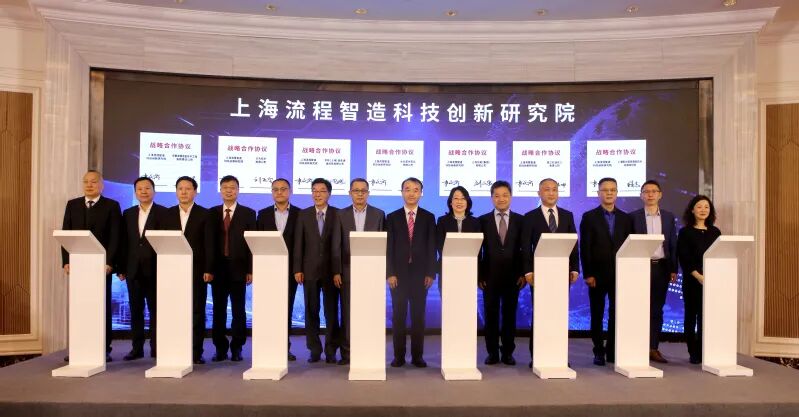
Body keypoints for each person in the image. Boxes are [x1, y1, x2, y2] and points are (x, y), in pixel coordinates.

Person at [61, 170, 121, 362]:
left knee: (102, 307)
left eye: (93, 182)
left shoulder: (111, 205)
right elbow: (66, 233)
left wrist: (110, 262)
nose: (89, 185)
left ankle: (104, 348)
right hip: (79, 265)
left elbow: (115, 237)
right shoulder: (72, 205)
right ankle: (78, 348)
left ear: (101, 185)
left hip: (101, 266)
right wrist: (66, 260)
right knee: (80, 306)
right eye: (86, 181)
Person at [520, 178, 579, 368]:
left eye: (554, 189)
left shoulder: (568, 215)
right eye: (546, 189)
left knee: (559, 315)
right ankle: (537, 356)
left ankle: (559, 355)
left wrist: (574, 268)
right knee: (540, 315)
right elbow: (525, 247)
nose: (551, 193)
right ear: (539, 193)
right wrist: (528, 271)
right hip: (539, 275)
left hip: (561, 273)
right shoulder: (530, 217)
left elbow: (574, 244)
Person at [162, 176, 215, 365]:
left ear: (195, 191)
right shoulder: (167, 214)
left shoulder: (205, 214)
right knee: (174, 312)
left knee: (197, 312)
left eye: (188, 188)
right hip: (173, 271)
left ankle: (195, 351)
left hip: (197, 271)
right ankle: (175, 349)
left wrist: (209, 269)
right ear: (176, 191)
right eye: (180, 188)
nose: (184, 192)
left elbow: (210, 244)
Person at [579, 177, 632, 366]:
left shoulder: (626, 218)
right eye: (605, 190)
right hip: (597, 274)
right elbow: (585, 247)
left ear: (616, 193)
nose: (609, 193)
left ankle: (612, 350)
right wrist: (588, 273)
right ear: (598, 193)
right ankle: (598, 351)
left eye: (612, 190)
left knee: (616, 313)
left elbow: (629, 248)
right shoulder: (589, 217)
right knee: (597, 313)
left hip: (620, 274)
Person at [386, 177, 436, 368]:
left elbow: (431, 247)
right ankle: (398, 356)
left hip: (420, 276)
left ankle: (417, 356)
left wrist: (430, 273)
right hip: (397, 276)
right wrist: (390, 273)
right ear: (402, 192)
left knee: (418, 317)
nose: (411, 193)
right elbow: (388, 248)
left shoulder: (429, 217)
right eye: (407, 189)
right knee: (398, 316)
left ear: (421, 193)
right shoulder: (392, 217)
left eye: (416, 190)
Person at [293, 178, 342, 364]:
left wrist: (338, 270)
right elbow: (298, 243)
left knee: (331, 312)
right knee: (311, 311)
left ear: (329, 194)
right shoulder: (303, 214)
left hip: (331, 272)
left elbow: (340, 244)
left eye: (322, 191)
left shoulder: (338, 214)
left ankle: (331, 350)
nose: (317, 194)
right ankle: (314, 349)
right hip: (309, 271)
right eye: (314, 190)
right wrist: (298, 268)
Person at [118, 176, 167, 361]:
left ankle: (157, 348)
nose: (144, 192)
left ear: (154, 191)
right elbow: (124, 242)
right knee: (136, 311)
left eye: (147, 188)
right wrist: (121, 267)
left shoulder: (164, 212)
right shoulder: (128, 213)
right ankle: (136, 348)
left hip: (155, 270)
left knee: (156, 311)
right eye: (140, 189)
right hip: (133, 270)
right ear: (135, 192)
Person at [337, 178, 385, 366]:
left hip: (371, 272)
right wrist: (337, 271)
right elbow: (336, 245)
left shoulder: (379, 214)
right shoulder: (341, 214)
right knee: (348, 314)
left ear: (368, 193)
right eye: (355, 190)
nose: (359, 194)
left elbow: (383, 246)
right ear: (350, 193)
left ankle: (369, 350)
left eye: (363, 191)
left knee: (370, 313)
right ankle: (347, 354)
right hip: (347, 272)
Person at [630, 180, 678, 364]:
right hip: (639, 268)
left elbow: (672, 244)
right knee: (637, 307)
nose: (650, 194)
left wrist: (673, 268)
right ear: (641, 195)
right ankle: (635, 346)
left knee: (657, 309)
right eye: (646, 191)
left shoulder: (668, 217)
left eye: (653, 191)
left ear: (660, 194)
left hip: (661, 268)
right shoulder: (632, 217)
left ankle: (653, 348)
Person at [477, 181, 525, 366]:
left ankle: (507, 352)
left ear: (510, 197)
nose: (501, 199)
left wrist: (523, 273)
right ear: (492, 198)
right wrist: (479, 275)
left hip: (514, 277)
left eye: (505, 195)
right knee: (490, 316)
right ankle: (492, 353)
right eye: (497, 195)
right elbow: (478, 251)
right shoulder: (482, 221)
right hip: (489, 277)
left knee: (510, 315)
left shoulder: (521, 220)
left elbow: (524, 250)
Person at [209, 175, 256, 362]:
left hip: (239, 269)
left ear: (238, 190)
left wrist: (251, 269)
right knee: (219, 310)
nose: (229, 190)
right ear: (220, 190)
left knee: (239, 311)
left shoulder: (248, 213)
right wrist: (209, 269)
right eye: (225, 187)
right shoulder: (212, 213)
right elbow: (208, 244)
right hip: (218, 270)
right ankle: (220, 348)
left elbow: (252, 244)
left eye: (233, 187)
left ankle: (237, 347)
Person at [256, 178, 301, 361]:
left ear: (290, 191)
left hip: (291, 271)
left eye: (283, 189)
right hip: (269, 270)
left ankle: (284, 348)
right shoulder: (263, 214)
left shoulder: (300, 214)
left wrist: (298, 268)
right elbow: (258, 243)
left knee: (286, 309)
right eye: (276, 189)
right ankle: (268, 347)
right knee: (269, 309)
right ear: (272, 192)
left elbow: (301, 244)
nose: (279, 192)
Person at [677, 194, 720, 365]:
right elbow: (684, 258)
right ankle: (693, 352)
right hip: (692, 280)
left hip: (712, 281)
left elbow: (719, 255)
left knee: (706, 317)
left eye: (706, 207)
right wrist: (699, 276)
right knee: (691, 316)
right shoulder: (685, 232)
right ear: (692, 210)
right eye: (699, 207)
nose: (703, 210)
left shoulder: (715, 232)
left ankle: (704, 350)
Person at [435, 186, 481, 294]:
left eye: (463, 198)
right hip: (447, 269)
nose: (459, 202)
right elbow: (440, 246)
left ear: (468, 202)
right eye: (456, 198)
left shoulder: (475, 222)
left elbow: (478, 251)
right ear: (450, 202)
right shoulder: (442, 221)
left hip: (469, 270)